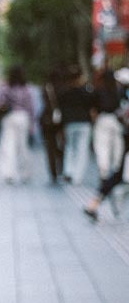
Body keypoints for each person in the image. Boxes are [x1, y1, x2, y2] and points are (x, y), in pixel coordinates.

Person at [83, 69, 129, 222]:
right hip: (118, 129)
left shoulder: (105, 92)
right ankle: (96, 203)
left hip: (111, 127)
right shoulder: (119, 94)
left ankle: (95, 202)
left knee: (117, 172)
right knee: (118, 172)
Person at [0, 66, 34, 183]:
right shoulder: (26, 88)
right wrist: (32, 124)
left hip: (9, 117)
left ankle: (8, 173)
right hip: (23, 117)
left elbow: (0, 103)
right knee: (23, 146)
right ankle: (25, 173)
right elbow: (31, 107)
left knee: (8, 146)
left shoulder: (6, 88)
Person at [59, 70, 95, 184]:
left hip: (69, 123)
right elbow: (92, 107)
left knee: (70, 147)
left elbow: (61, 110)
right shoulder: (86, 92)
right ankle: (77, 176)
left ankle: (68, 172)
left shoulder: (64, 93)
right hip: (84, 123)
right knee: (82, 149)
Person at [40, 68, 64, 183]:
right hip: (61, 120)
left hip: (47, 120)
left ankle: (53, 171)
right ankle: (62, 169)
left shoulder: (46, 87)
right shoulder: (63, 88)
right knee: (62, 145)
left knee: (50, 146)